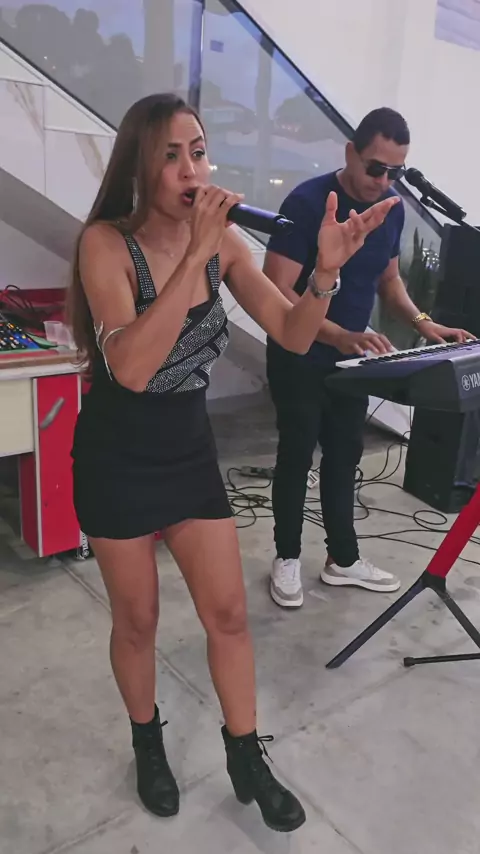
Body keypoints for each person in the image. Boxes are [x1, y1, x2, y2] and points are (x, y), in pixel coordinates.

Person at [66, 93, 397, 832]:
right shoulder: (106, 244)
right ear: (140, 168)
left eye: (199, 151)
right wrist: (193, 253)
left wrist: (324, 274)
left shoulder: (226, 247)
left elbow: (291, 333)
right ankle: (147, 741)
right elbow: (133, 368)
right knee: (138, 621)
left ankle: (246, 755)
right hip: (118, 455)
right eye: (172, 156)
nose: (193, 170)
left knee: (228, 616)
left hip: (188, 451)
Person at [264, 107, 473, 609]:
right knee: (297, 454)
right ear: (350, 153)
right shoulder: (307, 202)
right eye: (375, 167)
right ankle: (286, 556)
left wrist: (425, 323)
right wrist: (337, 334)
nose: (383, 181)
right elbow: (276, 289)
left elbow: (388, 279)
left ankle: (343, 559)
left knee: (345, 455)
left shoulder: (390, 209)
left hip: (351, 359)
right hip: (301, 351)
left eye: (395, 171)